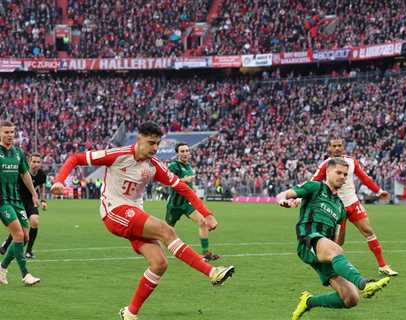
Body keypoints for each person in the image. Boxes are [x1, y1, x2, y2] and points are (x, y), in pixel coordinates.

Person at [50, 122, 234, 320]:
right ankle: (212, 272)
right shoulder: (117, 155)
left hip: (134, 214)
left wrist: (206, 213)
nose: (155, 148)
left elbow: (182, 187)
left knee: (159, 263)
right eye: (151, 143)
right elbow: (76, 158)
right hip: (114, 212)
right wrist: (59, 180)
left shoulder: (154, 166)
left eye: (158, 144)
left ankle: (130, 313)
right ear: (139, 140)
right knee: (166, 230)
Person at [276, 158, 391, 320]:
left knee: (351, 298)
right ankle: (365, 284)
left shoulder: (340, 207)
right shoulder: (315, 187)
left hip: (326, 251)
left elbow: (337, 241)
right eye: (338, 172)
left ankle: (309, 302)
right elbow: (283, 194)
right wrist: (284, 201)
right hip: (308, 240)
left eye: (345, 174)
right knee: (336, 251)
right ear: (328, 172)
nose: (343, 177)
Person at [310, 138, 398, 276]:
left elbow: (364, 178)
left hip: (353, 203)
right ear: (330, 148)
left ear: (344, 147)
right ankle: (328, 268)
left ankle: (383, 266)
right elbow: (313, 182)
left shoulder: (351, 162)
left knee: (368, 231)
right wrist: (299, 198)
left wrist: (379, 191)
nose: (337, 148)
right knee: (338, 242)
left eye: (340, 145)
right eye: (334, 146)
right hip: (336, 208)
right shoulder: (326, 165)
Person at [0, 120, 41, 286]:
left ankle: (2, 268)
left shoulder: (18, 153)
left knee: (24, 237)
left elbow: (25, 175)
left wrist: (34, 194)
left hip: (16, 199)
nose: (10, 135)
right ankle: (26, 274)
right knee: (17, 234)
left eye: (12, 132)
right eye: (6, 132)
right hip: (2, 201)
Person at [166, 142, 219, 261]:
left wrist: (193, 189)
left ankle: (206, 253)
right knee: (167, 230)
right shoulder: (174, 166)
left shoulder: (189, 167)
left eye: (187, 151)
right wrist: (184, 180)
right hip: (174, 205)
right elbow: (169, 181)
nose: (185, 153)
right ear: (177, 153)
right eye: (182, 151)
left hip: (186, 203)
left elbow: (190, 184)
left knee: (202, 222)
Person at [0, 153, 47, 259]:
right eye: (33, 161)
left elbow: (42, 187)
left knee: (35, 221)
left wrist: (43, 200)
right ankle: (6, 244)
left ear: (41, 164)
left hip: (30, 201)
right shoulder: (21, 173)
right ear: (29, 162)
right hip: (17, 201)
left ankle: (29, 251)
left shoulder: (42, 174)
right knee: (20, 227)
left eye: (38, 162)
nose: (35, 164)